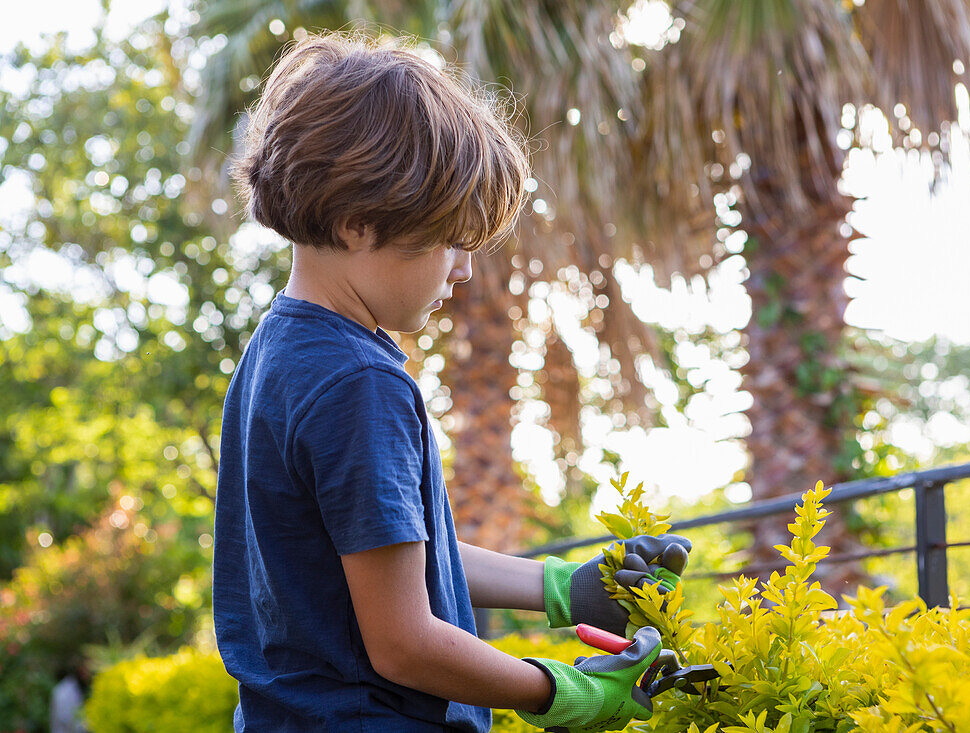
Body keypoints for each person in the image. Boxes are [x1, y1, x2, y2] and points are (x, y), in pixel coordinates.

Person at [212, 31, 693, 733]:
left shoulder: (278, 352)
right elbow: (404, 642)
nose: (462, 270)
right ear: (357, 224)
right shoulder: (359, 381)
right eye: (448, 239)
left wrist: (563, 587)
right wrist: (563, 690)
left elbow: (388, 564)